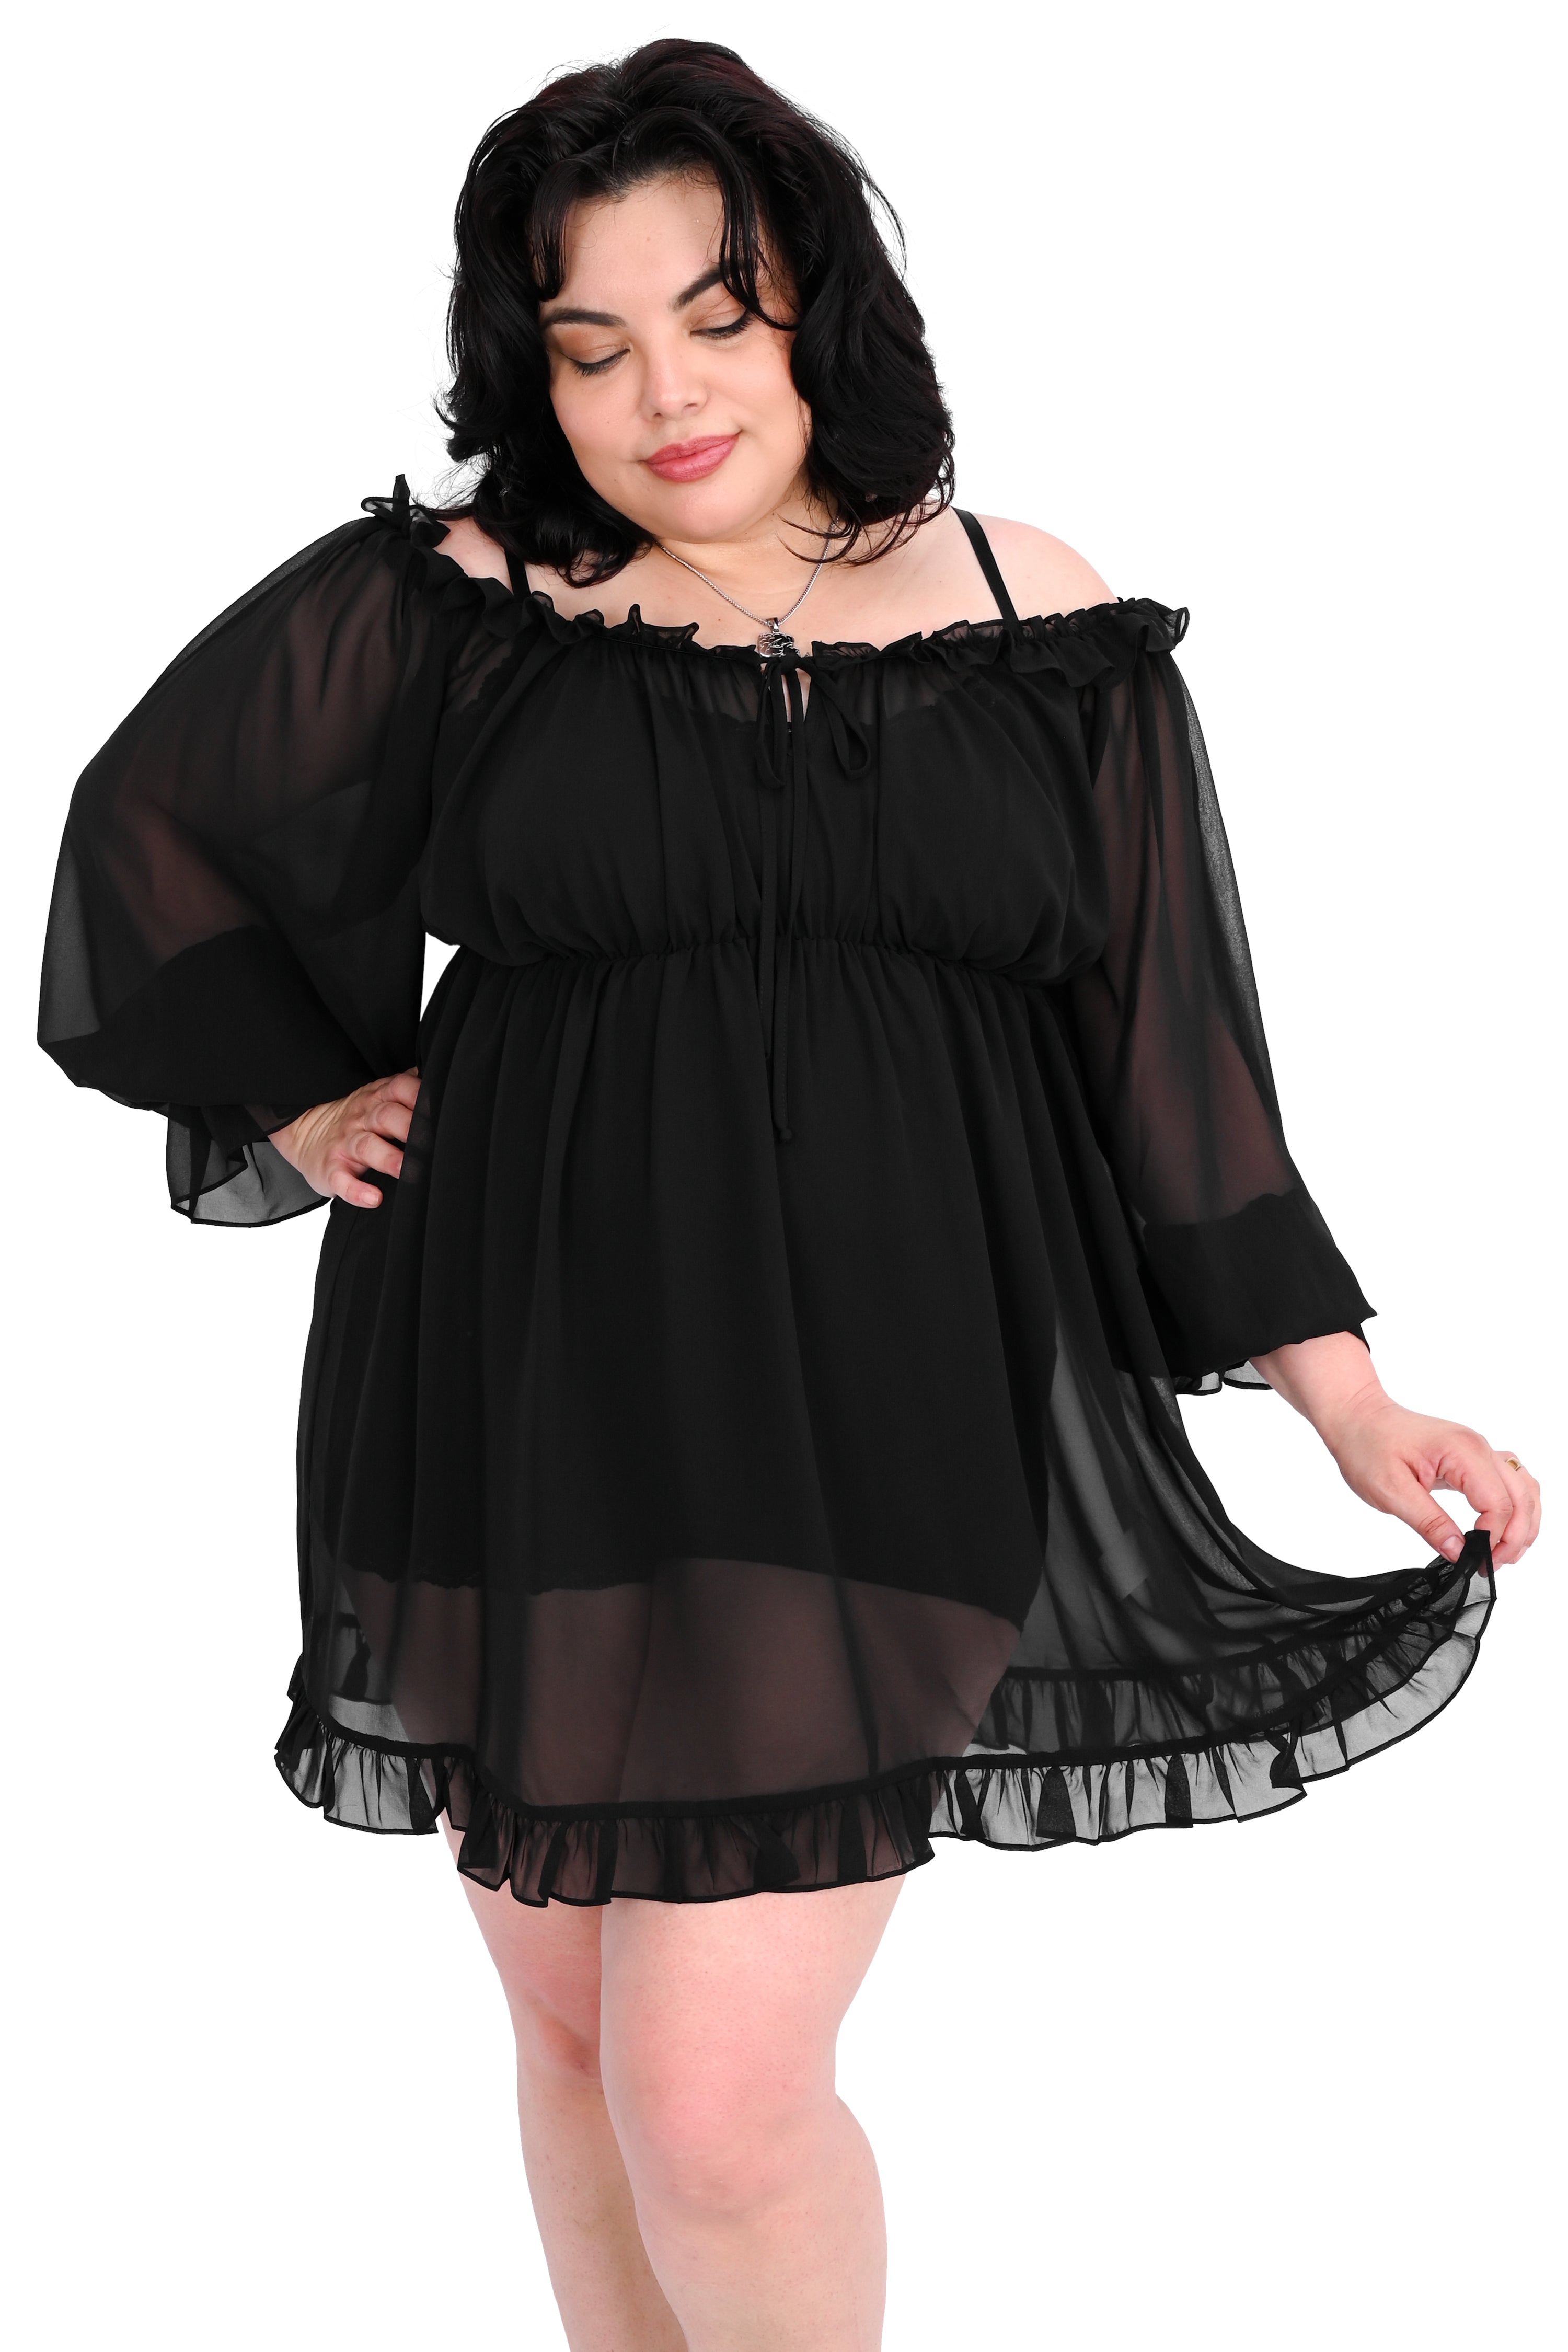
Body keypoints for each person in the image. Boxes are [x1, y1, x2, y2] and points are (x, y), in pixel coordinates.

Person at [38, 37, 1540, 2352]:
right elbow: (144, 834)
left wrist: (1350, 1400)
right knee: (573, 2039)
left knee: (715, 2098)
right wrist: (307, 1096)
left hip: (876, 1409)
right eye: (591, 345)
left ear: (818, 306)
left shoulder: (1032, 614)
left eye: (716, 317)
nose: (664, 395)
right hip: (510, 1386)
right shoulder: (461, 604)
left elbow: (1180, 1067)